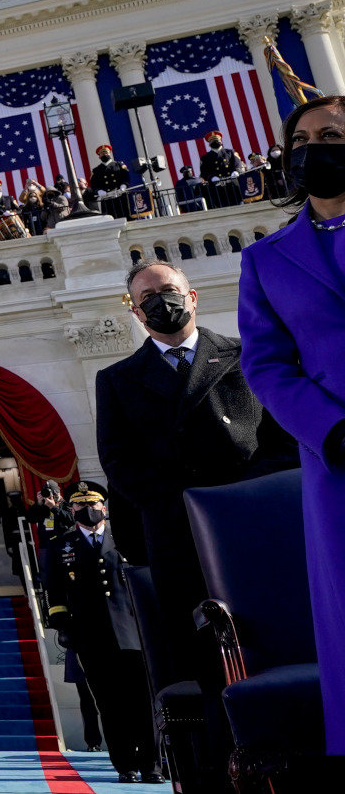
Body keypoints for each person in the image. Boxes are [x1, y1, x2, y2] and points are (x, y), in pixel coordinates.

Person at [96, 260, 297, 685]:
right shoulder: (116, 379)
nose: (159, 302)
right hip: (178, 536)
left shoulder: (246, 355)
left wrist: (236, 499)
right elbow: (119, 462)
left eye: (167, 289)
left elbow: (285, 441)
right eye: (146, 298)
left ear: (192, 296)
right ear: (135, 313)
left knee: (278, 643)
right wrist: (187, 503)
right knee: (200, 660)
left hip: (256, 525)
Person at [236, 93, 345, 756]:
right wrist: (330, 429)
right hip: (336, 460)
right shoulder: (267, 260)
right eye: (300, 140)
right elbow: (267, 365)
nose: (313, 149)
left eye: (330, 134)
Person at [44, 487, 163, 783]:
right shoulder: (61, 546)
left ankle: (151, 765)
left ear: (105, 507)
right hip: (91, 638)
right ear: (72, 511)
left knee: (142, 702)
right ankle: (126, 765)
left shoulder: (126, 539)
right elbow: (55, 591)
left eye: (94, 504)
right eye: (81, 505)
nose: (89, 509)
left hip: (132, 634)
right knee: (110, 704)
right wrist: (63, 626)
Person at [199, 131, 243, 207]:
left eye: (217, 140)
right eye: (212, 141)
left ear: (221, 141)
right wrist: (212, 177)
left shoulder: (230, 152)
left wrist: (236, 171)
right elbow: (204, 172)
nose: (215, 142)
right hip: (217, 187)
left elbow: (237, 163)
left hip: (232, 184)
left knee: (238, 203)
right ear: (209, 144)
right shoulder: (205, 158)